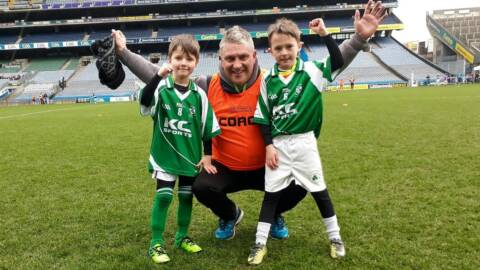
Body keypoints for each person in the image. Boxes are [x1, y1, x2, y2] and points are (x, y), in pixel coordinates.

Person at [112, 0, 387, 242]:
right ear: (220, 59)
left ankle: (276, 214)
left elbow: (329, 67)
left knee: (301, 182)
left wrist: (358, 39)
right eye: (230, 58)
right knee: (200, 186)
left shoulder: (273, 81)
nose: (237, 64)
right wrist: (123, 53)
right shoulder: (206, 86)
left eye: (243, 56)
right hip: (225, 167)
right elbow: (160, 74)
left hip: (269, 165)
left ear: (254, 56)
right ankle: (231, 215)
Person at [247, 17, 346, 265]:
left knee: (319, 192)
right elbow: (262, 118)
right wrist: (268, 146)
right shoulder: (267, 81)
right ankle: (260, 243)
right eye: (278, 48)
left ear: (299, 46)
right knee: (270, 195)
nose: (284, 52)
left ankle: (335, 238)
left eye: (289, 47)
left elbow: (338, 61)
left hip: (304, 144)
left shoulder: (312, 71)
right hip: (278, 147)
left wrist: (324, 33)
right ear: (270, 51)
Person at [138, 34, 221, 264]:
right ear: (170, 59)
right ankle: (156, 243)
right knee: (164, 198)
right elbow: (145, 102)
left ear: (196, 62)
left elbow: (207, 128)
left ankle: (182, 237)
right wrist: (157, 76)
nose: (183, 63)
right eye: (178, 58)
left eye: (189, 59)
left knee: (186, 198)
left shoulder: (199, 95)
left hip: (190, 157)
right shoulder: (161, 88)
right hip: (165, 154)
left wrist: (207, 156)